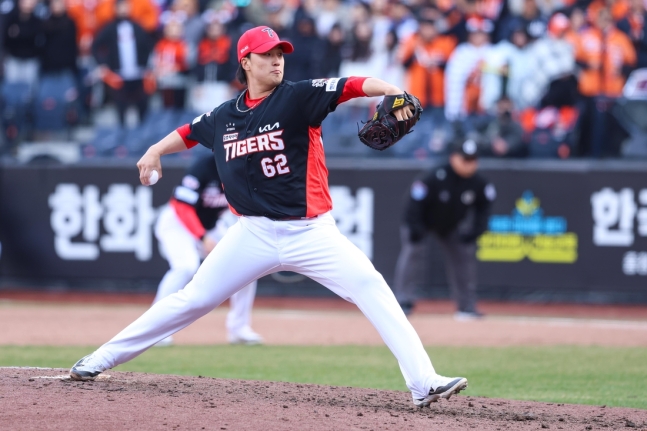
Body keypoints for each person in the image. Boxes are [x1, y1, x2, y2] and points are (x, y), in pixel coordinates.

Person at [69, 25, 468, 408]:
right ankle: (101, 358)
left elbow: (350, 85)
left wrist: (393, 90)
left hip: (311, 232)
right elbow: (189, 131)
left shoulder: (298, 96)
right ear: (245, 62)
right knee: (192, 299)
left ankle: (423, 382)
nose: (277, 60)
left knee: (370, 285)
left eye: (280, 54)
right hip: (252, 233)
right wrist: (155, 150)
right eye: (267, 55)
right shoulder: (224, 116)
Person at [153, 155, 262, 346]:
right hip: (177, 224)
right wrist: (202, 237)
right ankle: (156, 327)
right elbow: (181, 206)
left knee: (246, 265)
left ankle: (239, 328)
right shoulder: (205, 166)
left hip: (210, 227)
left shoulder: (245, 169)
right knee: (185, 267)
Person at [393, 138, 496, 319]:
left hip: (451, 225)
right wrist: (415, 229)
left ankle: (466, 307)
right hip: (423, 221)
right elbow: (413, 203)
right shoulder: (435, 176)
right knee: (412, 253)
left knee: (463, 257)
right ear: (453, 158)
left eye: (473, 160)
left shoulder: (479, 182)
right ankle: (403, 301)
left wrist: (475, 231)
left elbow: (484, 209)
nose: (469, 164)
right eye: (465, 159)